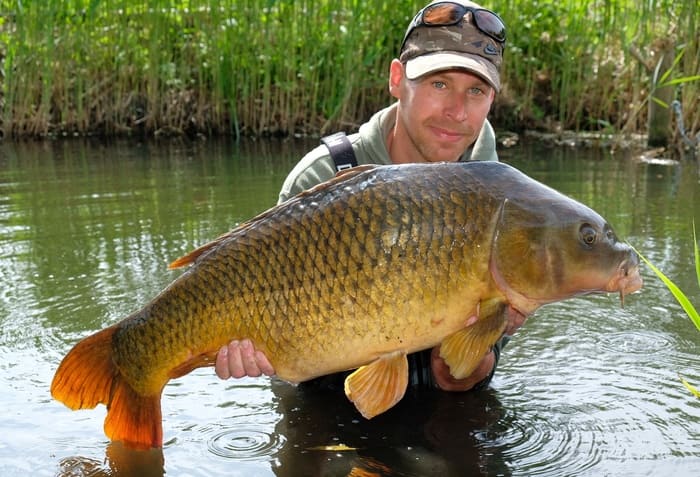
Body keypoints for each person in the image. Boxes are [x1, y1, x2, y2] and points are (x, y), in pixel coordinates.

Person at [215, 0, 526, 392]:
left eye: (476, 91)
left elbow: (454, 381)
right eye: (439, 84)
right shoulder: (322, 177)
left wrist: (478, 338)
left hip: (446, 405)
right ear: (397, 79)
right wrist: (255, 350)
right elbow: (284, 363)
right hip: (323, 401)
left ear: (492, 99)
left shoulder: (512, 213)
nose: (457, 111)